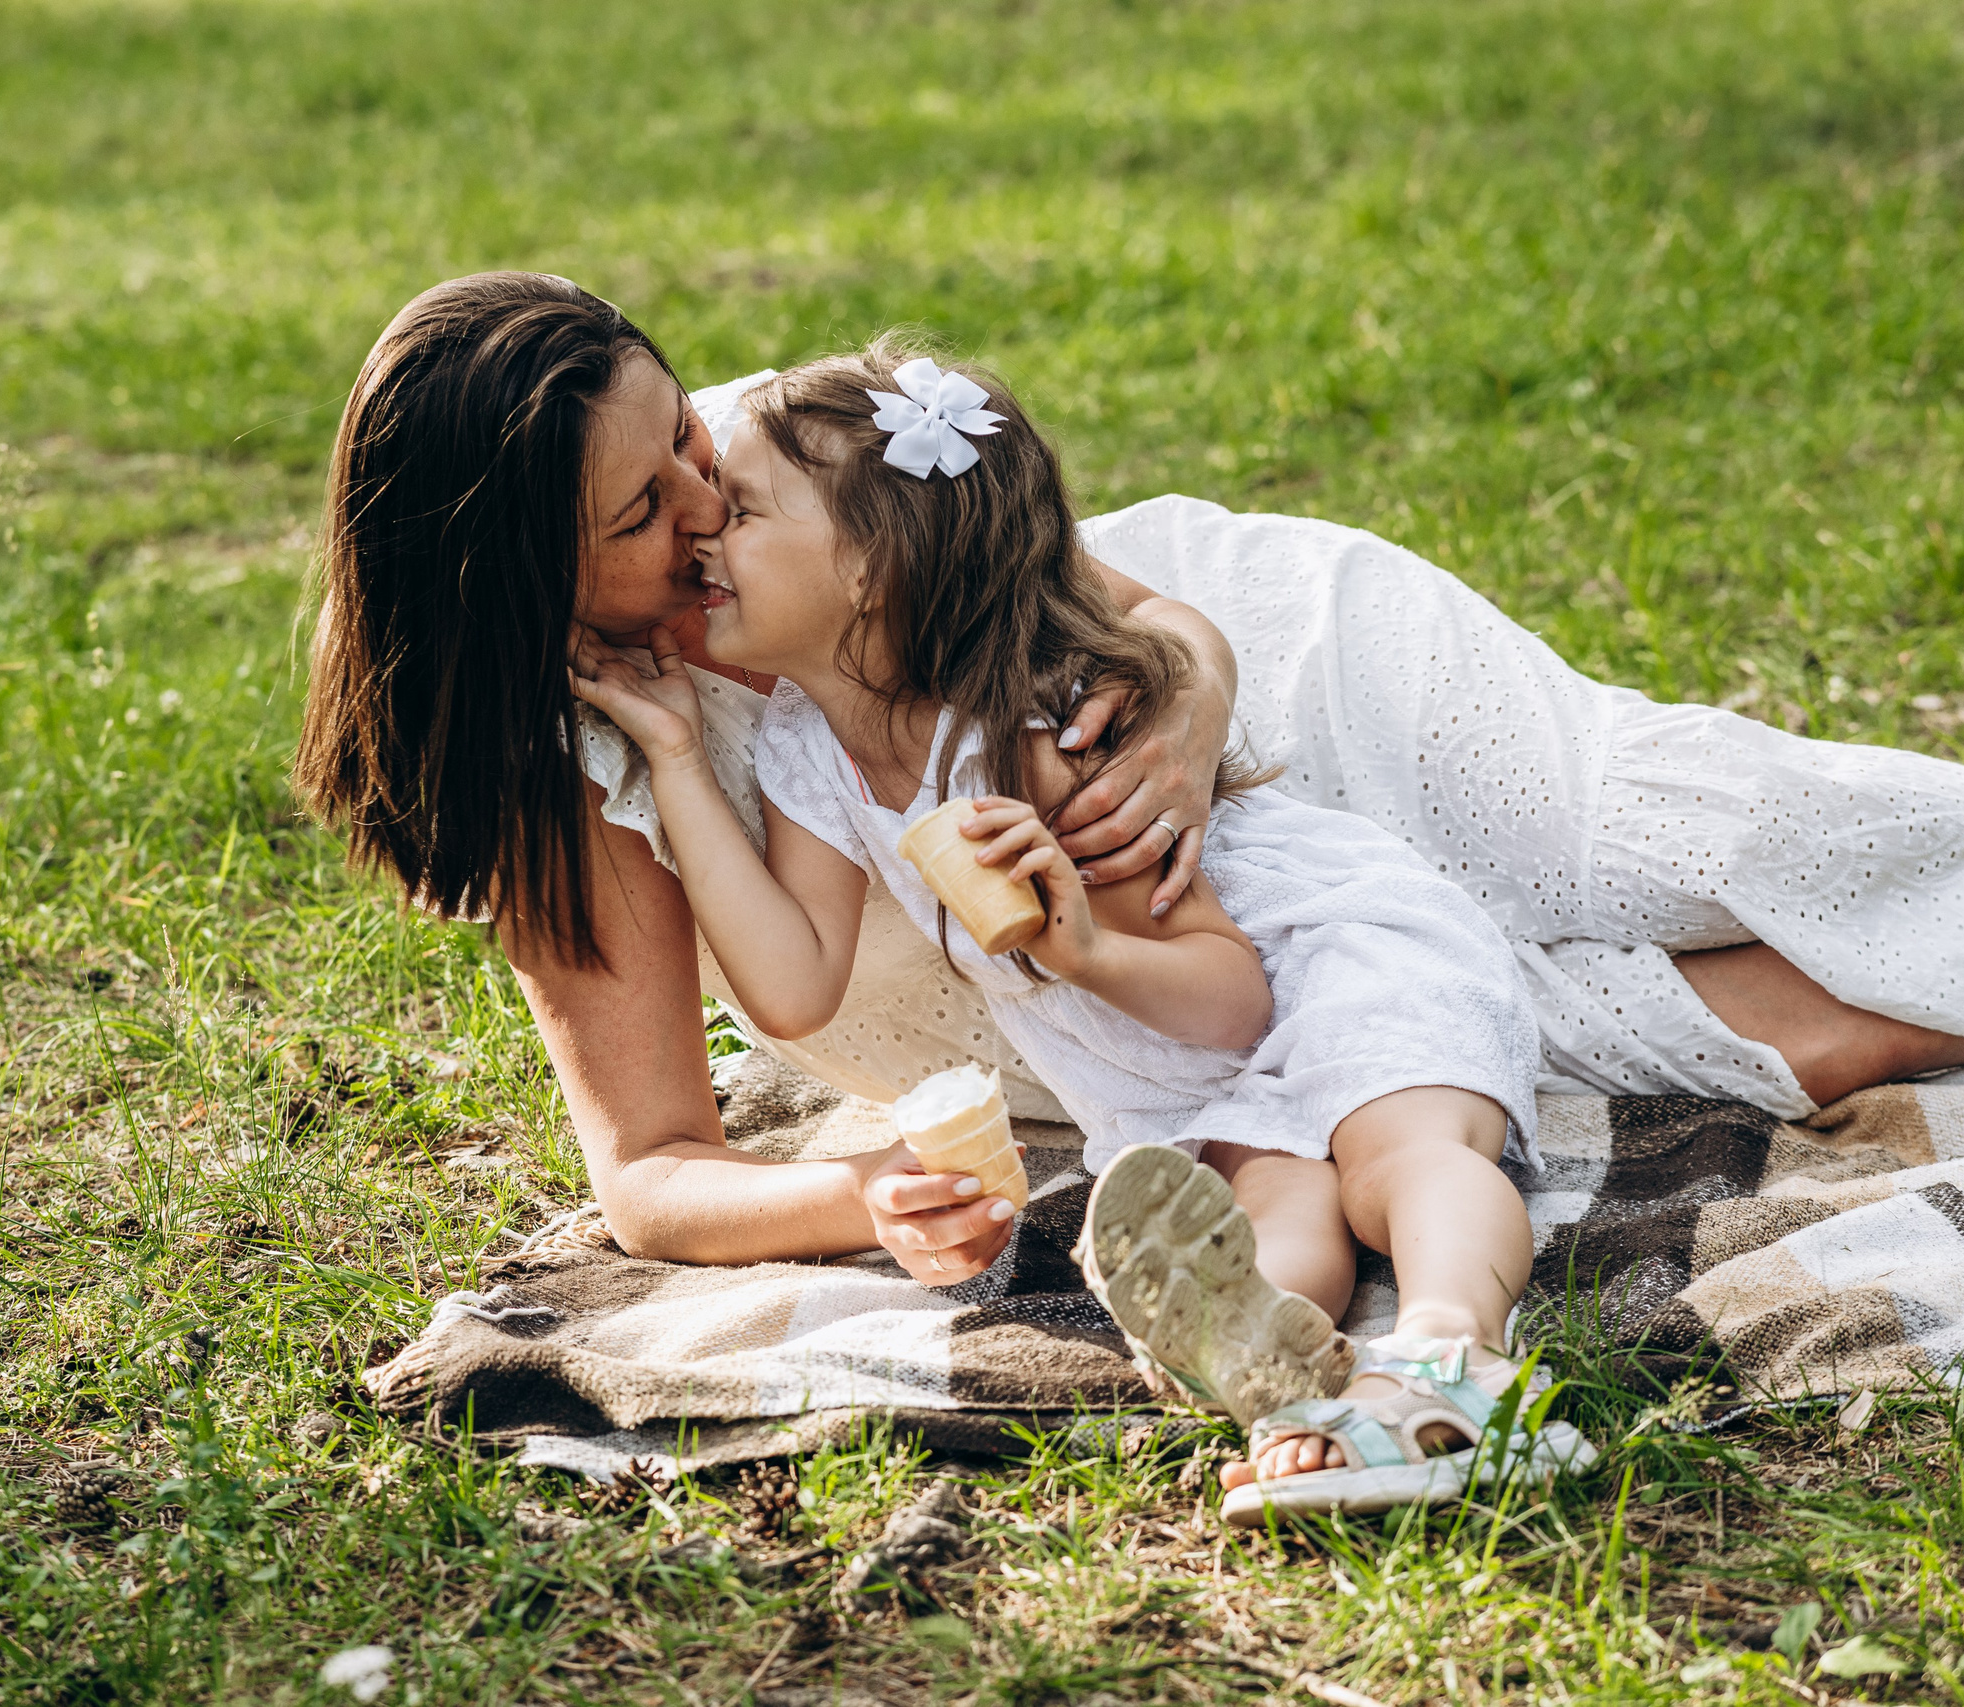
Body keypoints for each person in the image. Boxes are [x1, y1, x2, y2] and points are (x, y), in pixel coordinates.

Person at [295, 272, 1964, 1489]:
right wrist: (879, 1199)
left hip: (1252, 720)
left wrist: (1181, 707)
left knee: (1700, 835)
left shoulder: (776, 479)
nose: (702, 506)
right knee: (1722, 1036)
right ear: (518, 584)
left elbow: (1043, 562)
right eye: (644, 514)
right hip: (1139, 990)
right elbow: (652, 1173)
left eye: (693, 446)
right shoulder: (596, 776)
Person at [566, 340, 1596, 1514]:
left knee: (1390, 1159)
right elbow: (791, 986)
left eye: (740, 511)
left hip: (1323, 955)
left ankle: (1456, 1356)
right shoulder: (809, 745)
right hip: (1173, 1059)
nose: (703, 533)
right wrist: (678, 756)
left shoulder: (1031, 729)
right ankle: (1296, 1381)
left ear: (867, 569)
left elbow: (1234, 994)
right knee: (1258, 1220)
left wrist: (1081, 951)